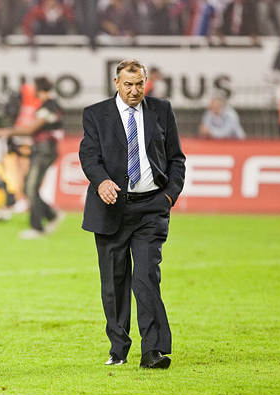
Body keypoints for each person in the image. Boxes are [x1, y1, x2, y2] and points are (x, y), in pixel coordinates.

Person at [79, 59, 186, 368]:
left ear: (145, 82)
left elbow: (176, 158)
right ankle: (118, 349)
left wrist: (168, 196)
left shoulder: (161, 110)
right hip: (111, 209)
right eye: (128, 84)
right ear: (116, 83)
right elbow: (88, 155)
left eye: (140, 83)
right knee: (114, 283)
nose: (135, 90)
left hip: (151, 208)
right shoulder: (95, 114)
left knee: (146, 277)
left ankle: (153, 351)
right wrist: (101, 182)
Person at [0, 76, 65, 239]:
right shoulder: (49, 105)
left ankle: (37, 227)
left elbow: (31, 129)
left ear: (39, 89)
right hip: (42, 150)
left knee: (30, 187)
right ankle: (51, 215)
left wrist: (8, 132)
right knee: (29, 187)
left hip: (44, 150)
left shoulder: (49, 106)